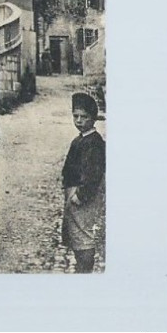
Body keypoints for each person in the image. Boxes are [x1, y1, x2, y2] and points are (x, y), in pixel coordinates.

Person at [61, 91, 105, 273]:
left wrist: (80, 195)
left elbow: (93, 175)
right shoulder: (82, 139)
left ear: (93, 118)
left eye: (84, 117)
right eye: (75, 116)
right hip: (74, 193)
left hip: (83, 196)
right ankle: (81, 268)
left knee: (83, 236)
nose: (79, 120)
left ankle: (84, 272)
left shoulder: (93, 143)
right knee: (76, 234)